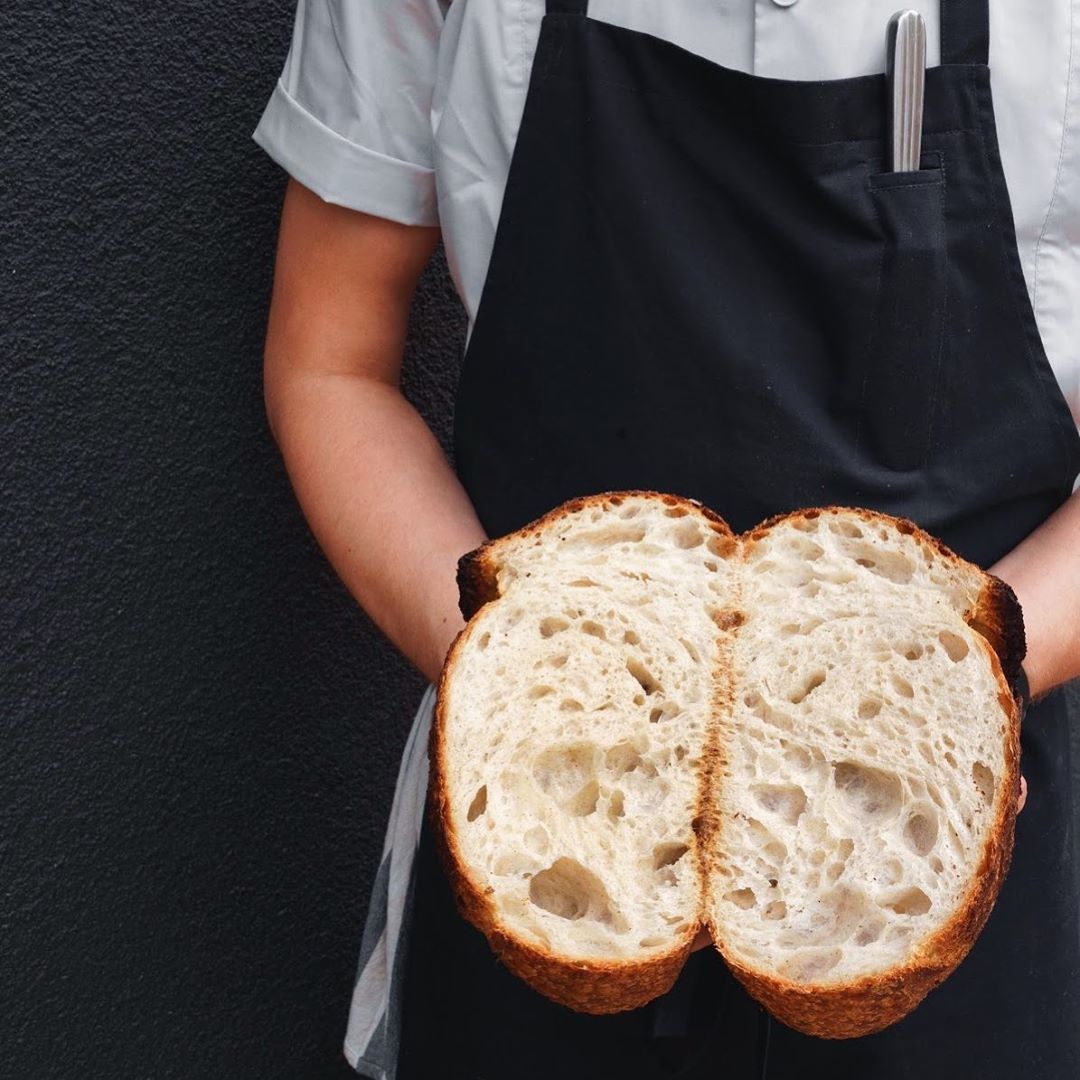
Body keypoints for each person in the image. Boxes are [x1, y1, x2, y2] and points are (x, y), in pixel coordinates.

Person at [253, 2, 1080, 1077]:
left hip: (961, 871)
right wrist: (506, 691)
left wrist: (963, 696)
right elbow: (329, 361)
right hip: (548, 850)